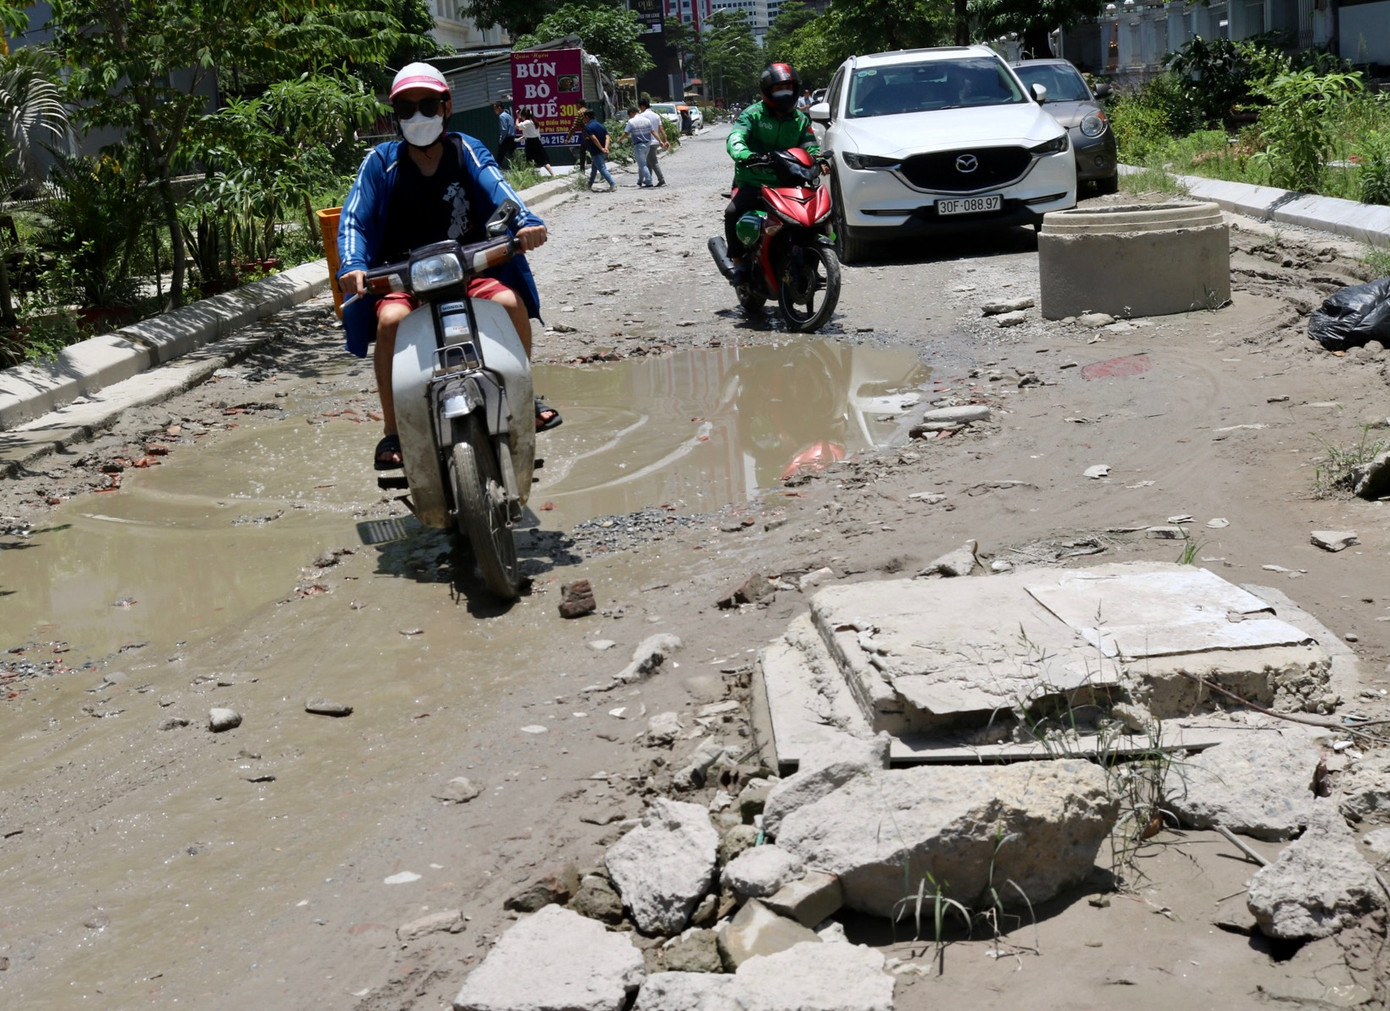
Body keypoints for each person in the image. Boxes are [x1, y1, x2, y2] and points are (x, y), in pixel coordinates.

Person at [338, 63, 557, 471]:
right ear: (395, 116)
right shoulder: (379, 163)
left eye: (427, 105)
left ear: (446, 106)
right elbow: (354, 218)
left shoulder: (467, 148)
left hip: (469, 269)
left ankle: (522, 398)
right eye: (406, 109)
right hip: (402, 277)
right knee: (389, 323)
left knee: (510, 303)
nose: (417, 116)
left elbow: (498, 186)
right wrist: (352, 264)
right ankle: (392, 430)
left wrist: (526, 222)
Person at [723, 63, 820, 283]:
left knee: (814, 219)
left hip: (790, 183)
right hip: (755, 182)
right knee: (732, 213)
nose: (784, 92)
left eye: (788, 86)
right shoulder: (752, 115)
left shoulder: (800, 120)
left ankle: (812, 259)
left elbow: (810, 145)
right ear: (766, 90)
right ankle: (738, 262)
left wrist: (819, 159)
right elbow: (736, 138)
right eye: (778, 87)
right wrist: (745, 154)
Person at [637, 98, 669, 187]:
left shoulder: (642, 116)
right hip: (656, 141)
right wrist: (665, 140)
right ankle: (648, 180)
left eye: (640, 107)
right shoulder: (656, 116)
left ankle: (661, 180)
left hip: (648, 141)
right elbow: (661, 129)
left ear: (642, 106)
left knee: (653, 161)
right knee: (649, 161)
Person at [581, 109, 616, 192]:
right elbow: (607, 137)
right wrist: (606, 148)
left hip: (596, 151)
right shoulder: (601, 125)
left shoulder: (588, 127)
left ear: (587, 117)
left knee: (602, 168)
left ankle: (612, 184)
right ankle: (589, 184)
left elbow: (594, 138)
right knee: (594, 168)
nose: (584, 120)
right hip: (602, 151)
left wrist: (601, 148)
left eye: (584, 118)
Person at [622, 105, 654, 187]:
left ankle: (649, 181)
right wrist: (660, 141)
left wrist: (619, 140)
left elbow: (626, 133)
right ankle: (640, 180)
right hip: (647, 144)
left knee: (642, 164)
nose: (630, 116)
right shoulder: (647, 120)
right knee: (642, 163)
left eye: (629, 115)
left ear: (632, 113)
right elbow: (653, 131)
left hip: (638, 145)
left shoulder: (631, 121)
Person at [517, 110, 554, 177]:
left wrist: (517, 118)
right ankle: (552, 174)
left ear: (524, 116)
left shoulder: (527, 122)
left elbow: (517, 126)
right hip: (537, 142)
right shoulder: (534, 121)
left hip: (530, 143)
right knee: (543, 159)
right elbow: (533, 133)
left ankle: (530, 176)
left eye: (522, 116)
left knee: (529, 159)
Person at [493, 101, 517, 166]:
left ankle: (497, 172)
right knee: (513, 156)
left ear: (499, 108)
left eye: (495, 108)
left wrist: (501, 140)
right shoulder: (508, 115)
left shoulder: (502, 116)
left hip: (506, 138)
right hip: (512, 138)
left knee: (500, 157)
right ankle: (519, 171)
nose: (494, 110)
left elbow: (504, 129)